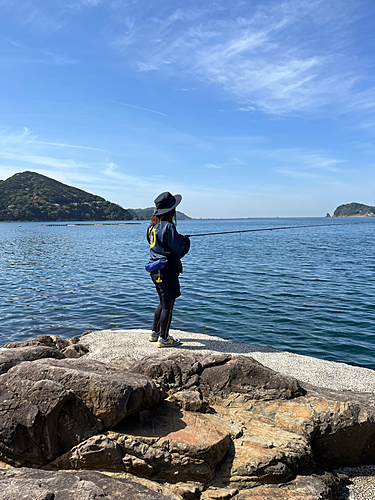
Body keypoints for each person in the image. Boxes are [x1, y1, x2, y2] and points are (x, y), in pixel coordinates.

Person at [146, 192, 190, 347]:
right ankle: (164, 338)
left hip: (154, 271)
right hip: (167, 272)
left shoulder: (152, 228)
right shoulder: (169, 227)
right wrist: (186, 241)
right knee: (168, 305)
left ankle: (154, 332)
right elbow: (180, 250)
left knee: (162, 303)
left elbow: (161, 245)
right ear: (171, 211)